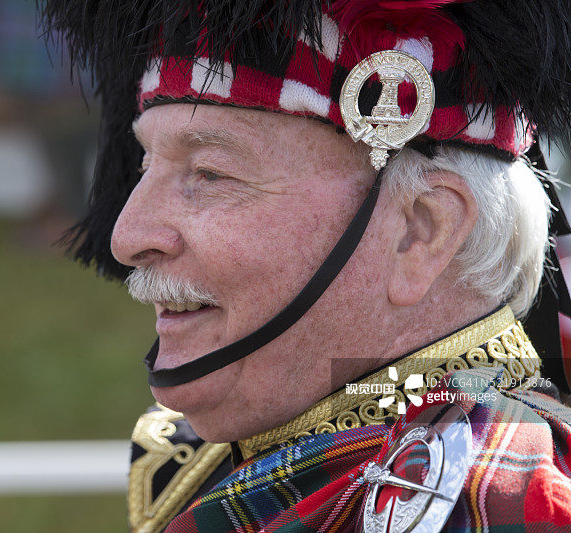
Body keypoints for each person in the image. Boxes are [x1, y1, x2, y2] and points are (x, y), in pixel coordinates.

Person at [42, 1, 571, 531]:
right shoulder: (212, 461)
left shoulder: (502, 501)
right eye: (146, 165)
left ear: (420, 233)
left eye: (210, 174)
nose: (127, 237)